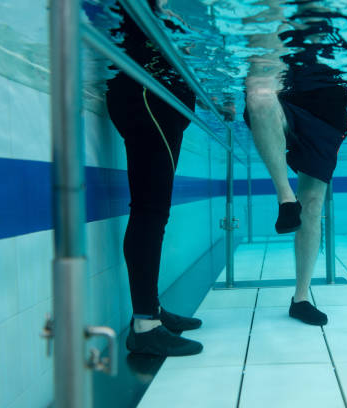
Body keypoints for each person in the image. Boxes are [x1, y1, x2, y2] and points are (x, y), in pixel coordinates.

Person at [104, 0, 224, 356]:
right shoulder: (145, 12)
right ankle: (145, 326)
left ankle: (151, 311)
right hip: (147, 97)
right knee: (150, 211)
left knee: (152, 210)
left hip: (153, 99)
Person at [244, 2, 347, 325]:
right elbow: (255, 63)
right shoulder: (273, 15)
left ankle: (300, 298)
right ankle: (285, 198)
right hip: (285, 102)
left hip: (329, 116)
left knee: (314, 204)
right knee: (259, 96)